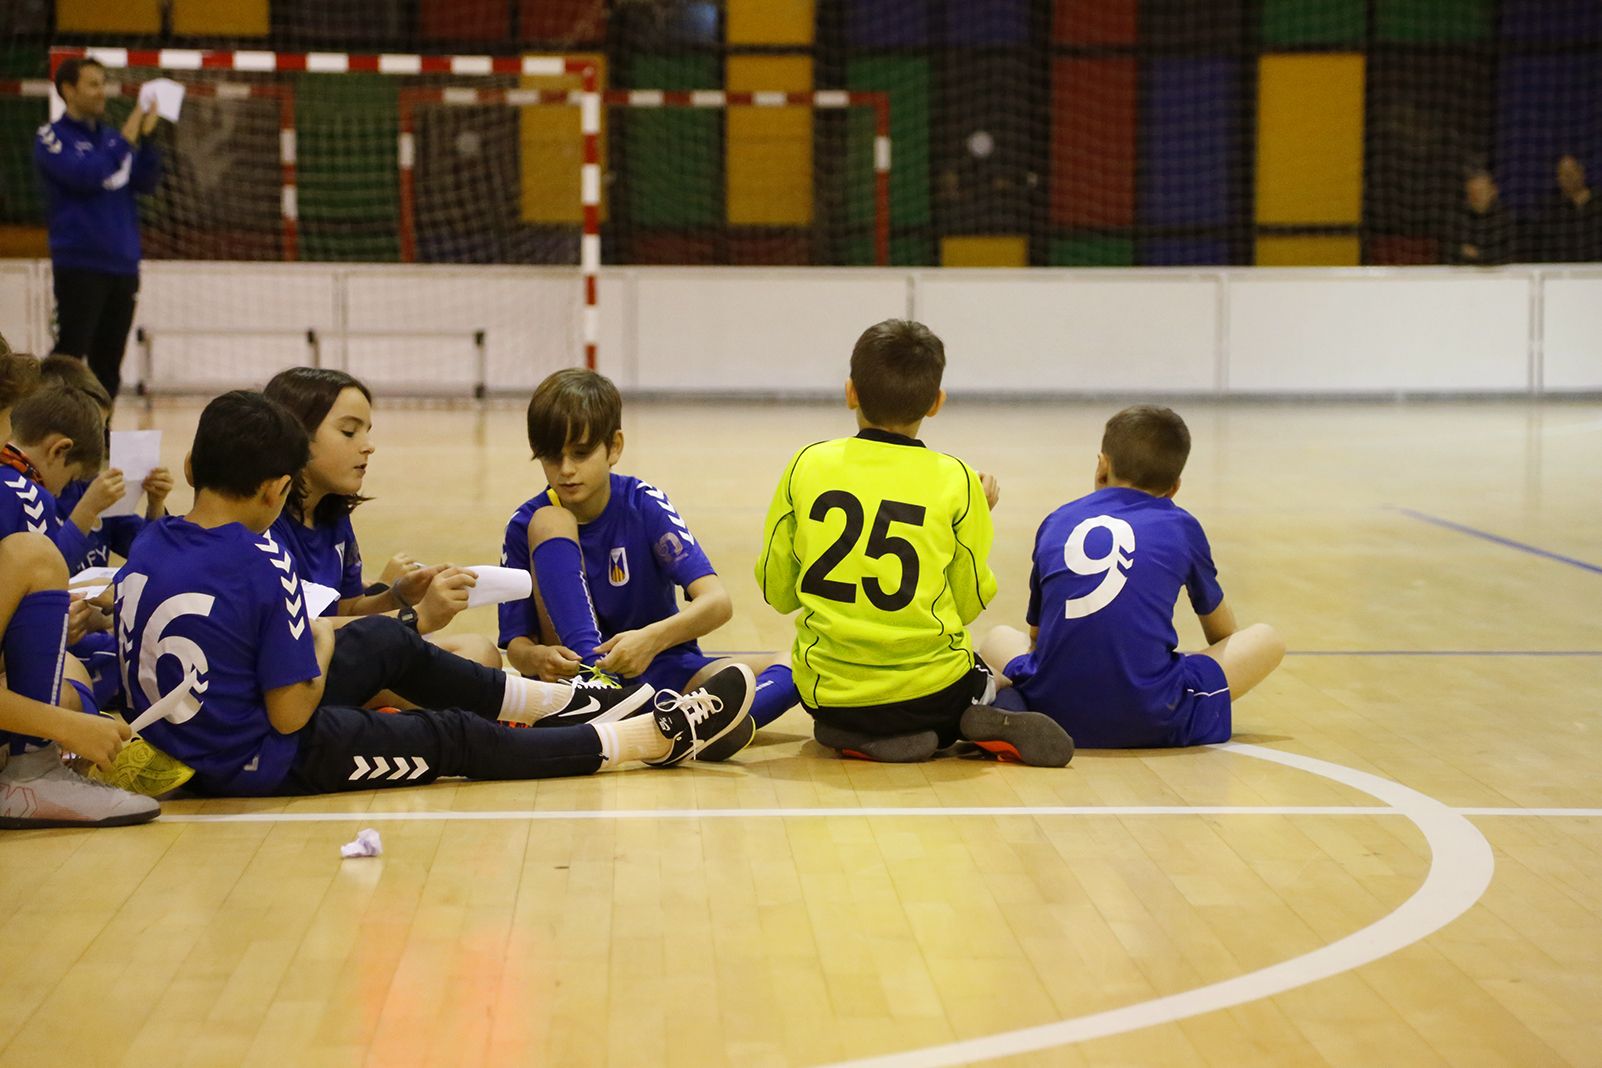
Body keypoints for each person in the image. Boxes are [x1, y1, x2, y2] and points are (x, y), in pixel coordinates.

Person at [114, 390, 755, 799]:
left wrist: (357, 622)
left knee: (388, 638)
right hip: (260, 756)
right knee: (452, 737)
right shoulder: (259, 558)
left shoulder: (149, 541)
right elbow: (291, 712)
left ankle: (576, 700)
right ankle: (646, 740)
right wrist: (319, 637)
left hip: (202, 732)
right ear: (276, 488)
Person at [754, 319, 1072, 766]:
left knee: (807, 675)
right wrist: (976, 513)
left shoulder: (806, 465)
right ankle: (984, 718)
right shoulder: (957, 479)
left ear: (850, 392)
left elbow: (777, 592)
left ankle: (856, 734)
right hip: (933, 695)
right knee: (992, 674)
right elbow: (968, 603)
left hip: (833, 694)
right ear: (937, 403)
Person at [499, 368, 799, 760]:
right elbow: (517, 646)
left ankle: (690, 728)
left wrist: (650, 640)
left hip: (666, 673)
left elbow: (716, 603)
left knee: (796, 662)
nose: (566, 469)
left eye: (581, 453)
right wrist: (536, 658)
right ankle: (605, 689)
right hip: (574, 685)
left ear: (615, 447)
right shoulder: (525, 524)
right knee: (550, 521)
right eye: (552, 457)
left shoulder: (644, 504)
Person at [980, 405, 1284, 748]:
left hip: (1053, 708)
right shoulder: (1183, 525)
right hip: (1155, 716)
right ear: (1174, 487)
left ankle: (1013, 707)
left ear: (1102, 466)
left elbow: (1038, 636)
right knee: (1267, 639)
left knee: (997, 637)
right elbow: (1222, 635)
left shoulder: (1057, 520)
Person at [262, 367, 498, 668]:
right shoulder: (266, 526)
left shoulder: (332, 516)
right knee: (473, 666)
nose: (368, 445)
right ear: (296, 435)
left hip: (337, 656)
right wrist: (415, 618)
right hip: (299, 673)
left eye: (367, 431)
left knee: (478, 651)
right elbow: (294, 631)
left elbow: (347, 611)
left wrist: (396, 597)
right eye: (349, 431)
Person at [0, 384, 156, 826]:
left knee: (75, 673)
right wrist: (66, 727)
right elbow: (49, 559)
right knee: (73, 687)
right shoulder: (21, 489)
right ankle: (34, 768)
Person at [35, 56, 162, 403]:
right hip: (79, 265)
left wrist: (147, 139)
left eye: (102, 83)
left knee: (109, 364)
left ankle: (100, 443)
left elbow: (146, 181)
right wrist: (129, 132)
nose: (101, 92)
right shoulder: (51, 137)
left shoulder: (110, 139)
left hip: (122, 266)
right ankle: (52, 432)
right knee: (69, 357)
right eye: (93, 83)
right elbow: (86, 176)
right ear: (68, 90)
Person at [1536, 154, 1602, 263]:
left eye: (1572, 172)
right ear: (1558, 179)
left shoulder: (1598, 203)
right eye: (1564, 174)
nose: (1569, 178)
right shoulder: (1552, 211)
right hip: (1565, 273)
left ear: (1581, 172)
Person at [1446, 169, 1515, 266]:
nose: (1476, 197)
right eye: (1472, 192)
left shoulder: (1505, 219)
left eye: (1481, 191)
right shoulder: (1458, 219)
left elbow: (1506, 254)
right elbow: (1450, 252)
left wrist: (1478, 255)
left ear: (1493, 191)